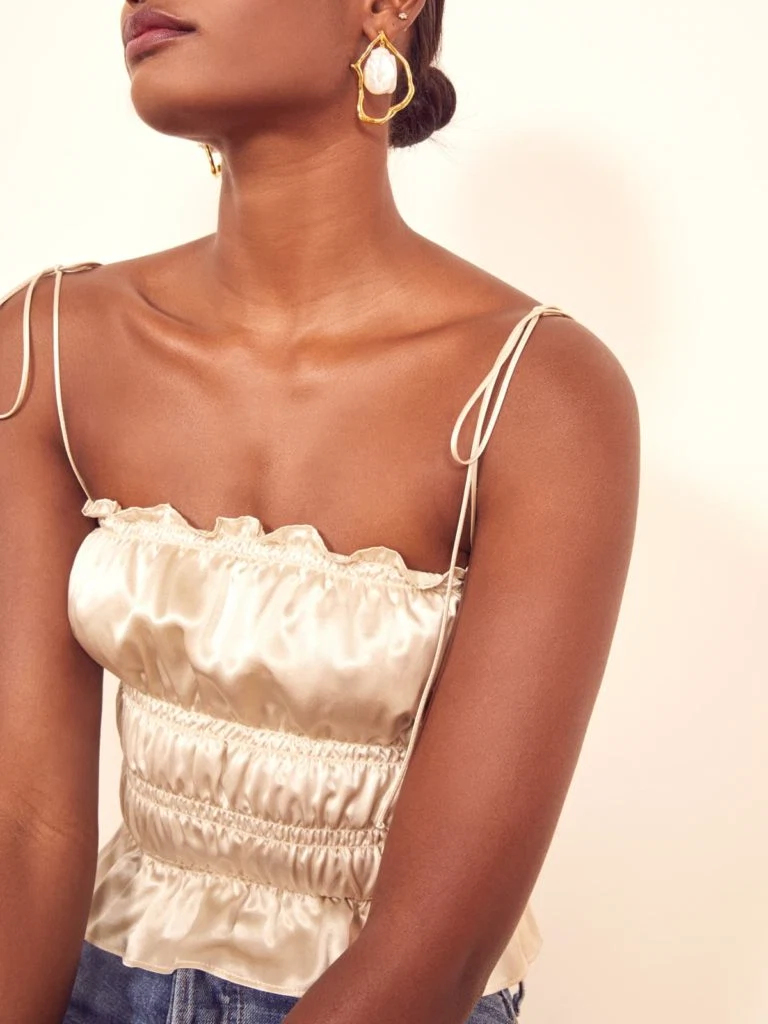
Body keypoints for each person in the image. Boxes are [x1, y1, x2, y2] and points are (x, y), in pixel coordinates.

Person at [0, 1, 640, 1022]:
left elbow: (441, 945)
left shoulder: (539, 394)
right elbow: (25, 830)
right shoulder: (51, 349)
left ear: (385, 6)